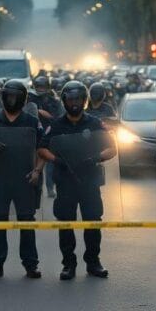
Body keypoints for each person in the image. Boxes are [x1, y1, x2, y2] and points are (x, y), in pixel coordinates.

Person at [38, 81, 116, 280]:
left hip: (90, 182)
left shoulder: (95, 124)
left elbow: (112, 148)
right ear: (64, 101)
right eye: (70, 99)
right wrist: (56, 160)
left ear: (84, 100)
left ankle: (93, 262)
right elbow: (42, 148)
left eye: (78, 99)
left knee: (93, 223)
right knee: (65, 224)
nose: (74, 103)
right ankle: (68, 264)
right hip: (65, 182)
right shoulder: (56, 125)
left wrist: (97, 158)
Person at [0, 80, 46, 280]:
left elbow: (42, 150)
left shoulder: (31, 121)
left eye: (15, 97)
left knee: (27, 222)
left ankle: (31, 265)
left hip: (25, 179)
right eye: (8, 96)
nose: (11, 100)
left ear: (22, 99)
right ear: (3, 97)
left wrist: (37, 171)